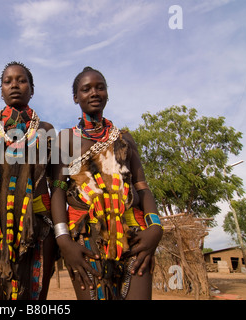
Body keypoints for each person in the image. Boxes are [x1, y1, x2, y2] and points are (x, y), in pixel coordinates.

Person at [51, 66, 163, 300]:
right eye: (86, 89)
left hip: (133, 231)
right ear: (75, 98)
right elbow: (58, 191)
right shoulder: (66, 140)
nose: (94, 92)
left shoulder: (124, 138)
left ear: (107, 94)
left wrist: (155, 229)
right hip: (84, 234)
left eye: (100, 87)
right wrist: (63, 241)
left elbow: (142, 187)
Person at [0, 61, 56, 300]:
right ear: (0, 90)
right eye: (8, 81)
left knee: (34, 294)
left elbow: (56, 181)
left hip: (39, 222)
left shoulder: (46, 129)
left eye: (22, 81)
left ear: (32, 88)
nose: (14, 85)